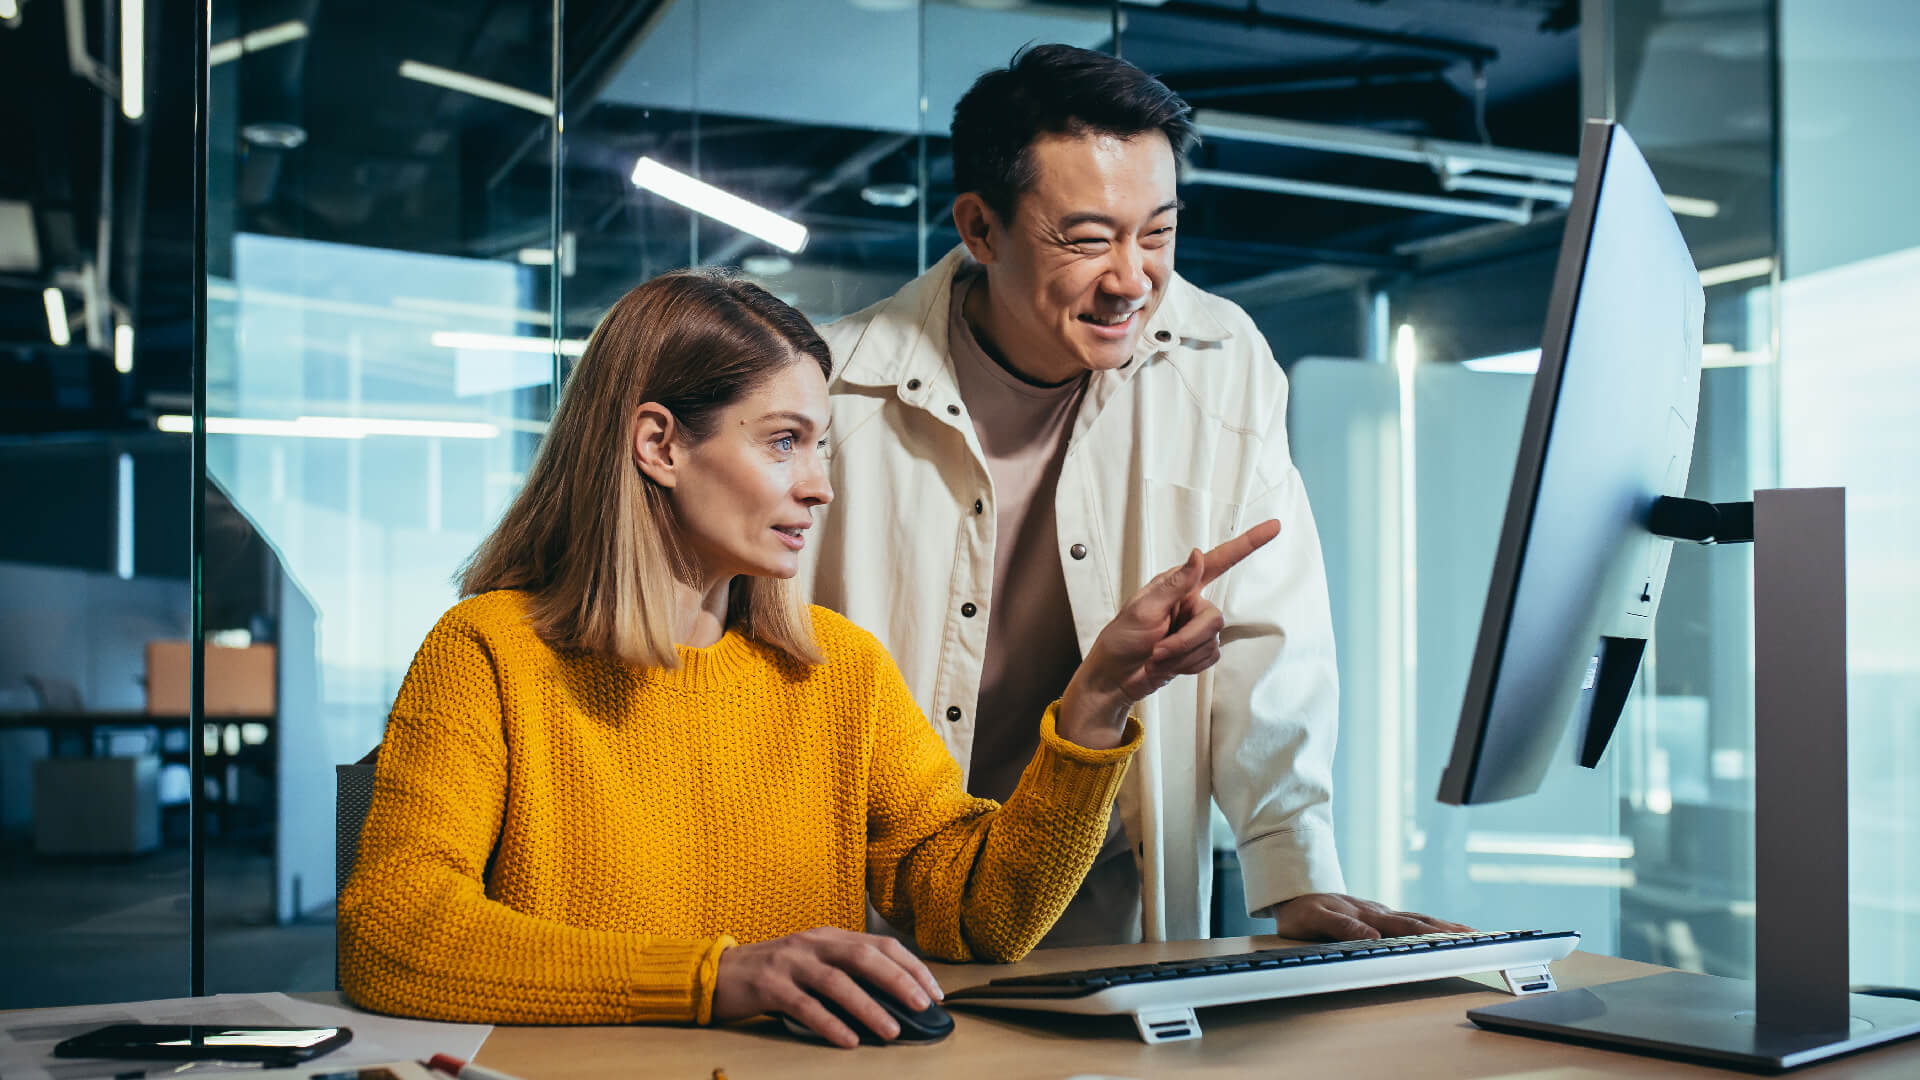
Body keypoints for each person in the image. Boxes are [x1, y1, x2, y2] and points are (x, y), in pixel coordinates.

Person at [336, 270, 1278, 1045]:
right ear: (659, 443)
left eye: (820, 445)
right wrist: (717, 976)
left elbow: (981, 914)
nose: (820, 487)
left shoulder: (838, 669)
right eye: (783, 442)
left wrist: (1097, 700)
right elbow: (395, 934)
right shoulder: (487, 653)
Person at [799, 44, 1466, 946]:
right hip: (870, 907)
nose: (1132, 279)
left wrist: (1294, 870)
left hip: (1095, 899)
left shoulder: (1220, 358)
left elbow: (1271, 631)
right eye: (1086, 239)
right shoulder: (832, 390)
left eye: (1157, 232)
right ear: (979, 228)